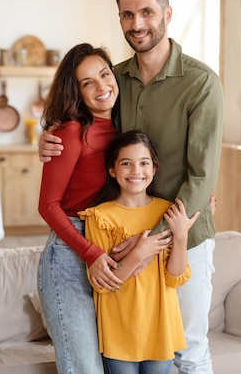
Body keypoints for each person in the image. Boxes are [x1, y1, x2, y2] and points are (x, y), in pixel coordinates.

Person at [39, 0, 224, 374]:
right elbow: (77, 126)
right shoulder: (114, 79)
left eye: (146, 12)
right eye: (127, 14)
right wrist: (46, 138)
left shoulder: (201, 83)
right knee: (118, 349)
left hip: (180, 238)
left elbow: (201, 175)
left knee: (188, 351)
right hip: (118, 240)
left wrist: (148, 240)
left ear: (168, 13)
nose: (137, 24)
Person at [37, 43, 158, 374]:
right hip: (70, 255)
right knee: (84, 369)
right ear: (75, 91)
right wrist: (90, 253)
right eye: (87, 82)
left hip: (109, 247)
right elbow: (47, 206)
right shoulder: (71, 132)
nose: (102, 86)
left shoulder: (123, 128)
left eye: (105, 74)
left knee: (113, 364)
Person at [79, 130, 198, 374]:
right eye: (126, 164)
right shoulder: (100, 216)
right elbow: (102, 284)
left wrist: (181, 235)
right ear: (112, 170)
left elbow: (175, 277)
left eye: (144, 163)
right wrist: (140, 251)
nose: (136, 171)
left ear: (154, 169)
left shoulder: (168, 213)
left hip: (160, 330)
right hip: (120, 332)